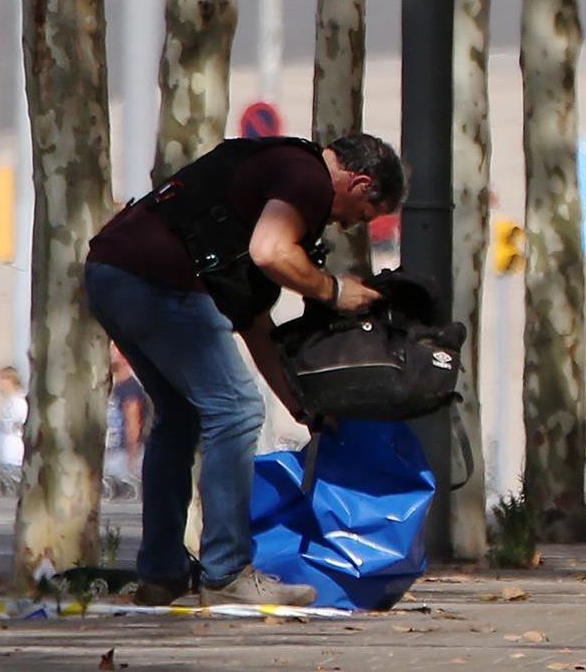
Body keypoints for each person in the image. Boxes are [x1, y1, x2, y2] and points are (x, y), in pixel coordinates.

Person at [84, 133, 405, 607]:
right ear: (359, 183)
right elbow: (271, 252)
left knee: (181, 416)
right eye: (360, 215)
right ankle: (227, 571)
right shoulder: (307, 177)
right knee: (236, 411)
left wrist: (302, 408)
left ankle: (163, 573)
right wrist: (334, 291)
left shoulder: (271, 177)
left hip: (111, 273)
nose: (345, 225)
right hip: (157, 281)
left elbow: (255, 324)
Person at [104, 343, 150, 478]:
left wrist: (132, 457)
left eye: (116, 349)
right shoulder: (111, 386)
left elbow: (133, 424)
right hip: (110, 452)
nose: (111, 352)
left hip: (122, 455)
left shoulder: (130, 389)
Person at [0, 366, 27, 470]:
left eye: (0, 381)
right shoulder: (9, 401)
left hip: (10, 456)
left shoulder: (18, 402)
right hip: (1, 456)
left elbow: (11, 426)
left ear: (8, 381)